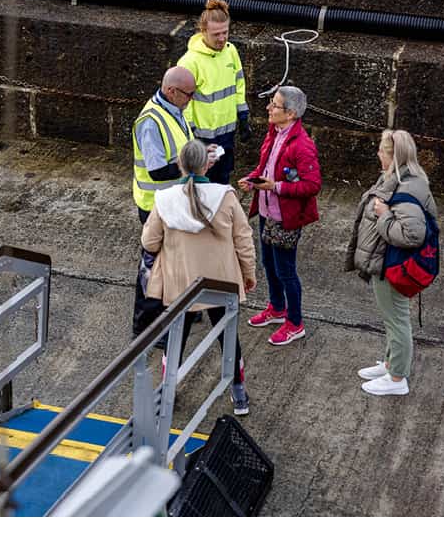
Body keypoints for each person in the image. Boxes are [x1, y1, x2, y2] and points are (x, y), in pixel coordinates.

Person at [142, 139, 256, 415]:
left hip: (179, 283)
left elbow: (149, 240)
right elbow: (243, 241)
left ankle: (166, 393)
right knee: (227, 336)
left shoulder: (165, 199)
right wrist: (248, 275)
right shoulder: (225, 197)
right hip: (220, 281)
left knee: (175, 339)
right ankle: (238, 391)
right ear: (208, 164)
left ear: (180, 164)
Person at [345, 129, 438, 396]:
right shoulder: (403, 177)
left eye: (382, 150)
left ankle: (397, 379)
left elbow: (412, 234)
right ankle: (390, 364)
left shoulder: (407, 187)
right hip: (386, 263)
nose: (377, 153)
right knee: (392, 318)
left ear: (393, 155)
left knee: (397, 320)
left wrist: (384, 216)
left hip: (392, 266)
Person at [131, 67, 218, 339]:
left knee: (172, 264)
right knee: (153, 269)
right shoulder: (151, 122)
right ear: (171, 91)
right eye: (189, 95)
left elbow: (181, 147)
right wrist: (195, 165)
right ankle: (145, 330)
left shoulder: (174, 110)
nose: (191, 99)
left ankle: (178, 313)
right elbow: (158, 171)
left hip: (174, 201)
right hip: (156, 206)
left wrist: (201, 154)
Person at [237, 86, 321, 346]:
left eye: (274, 105)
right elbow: (267, 167)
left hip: (286, 217)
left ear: (291, 113)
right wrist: (254, 179)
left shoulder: (303, 146)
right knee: (269, 265)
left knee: (286, 271)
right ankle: (276, 308)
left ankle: (295, 323)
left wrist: (276, 187)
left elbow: (312, 185)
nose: (268, 108)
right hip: (267, 211)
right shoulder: (275, 132)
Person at [178, 0, 251, 186]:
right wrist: (191, 134)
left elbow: (239, 83)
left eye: (225, 32)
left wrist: (243, 115)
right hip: (203, 137)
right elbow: (182, 103)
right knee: (202, 185)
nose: (222, 38)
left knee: (224, 179)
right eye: (216, 34)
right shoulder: (189, 62)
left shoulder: (230, 51)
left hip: (227, 133)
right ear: (203, 31)